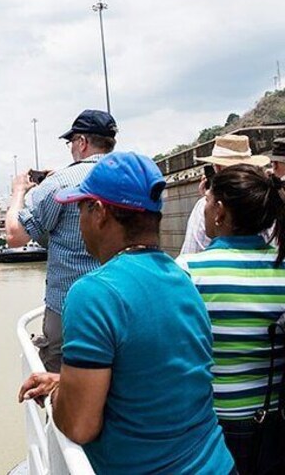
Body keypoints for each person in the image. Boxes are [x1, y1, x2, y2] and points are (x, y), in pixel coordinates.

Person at [18, 151, 234, 474]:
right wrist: (68, 383)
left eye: (80, 207)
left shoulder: (93, 294)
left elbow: (79, 426)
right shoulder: (183, 280)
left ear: (100, 212)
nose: (79, 219)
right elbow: (151, 377)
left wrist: (58, 396)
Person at [177, 165, 285, 474]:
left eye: (208, 200)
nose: (206, 207)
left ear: (220, 211)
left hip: (209, 425)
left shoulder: (188, 272)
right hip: (272, 427)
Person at [5, 109, 116, 372]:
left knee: (59, 378)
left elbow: (14, 236)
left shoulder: (60, 184)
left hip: (68, 308)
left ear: (82, 142)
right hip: (121, 301)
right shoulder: (130, 178)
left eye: (71, 143)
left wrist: (18, 193)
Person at [180, 134, 269, 255]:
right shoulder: (266, 199)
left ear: (217, 167)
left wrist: (207, 199)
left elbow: (191, 254)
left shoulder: (206, 206)